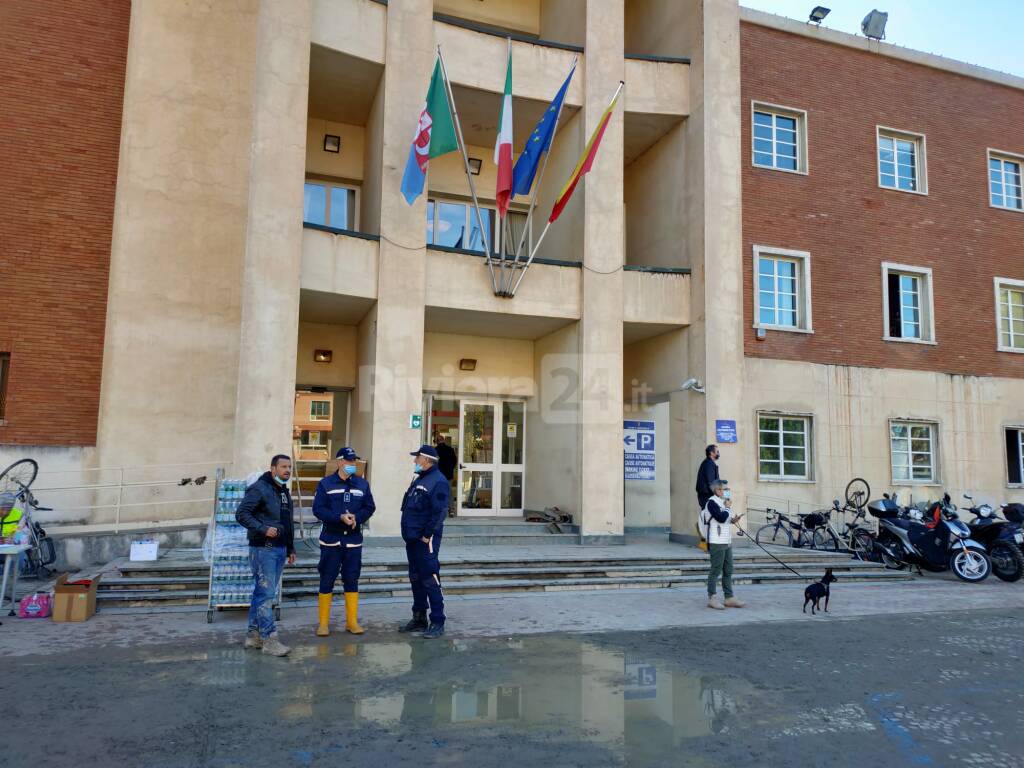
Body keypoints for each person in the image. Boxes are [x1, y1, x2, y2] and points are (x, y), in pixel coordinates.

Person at [235, 454, 296, 656]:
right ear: (273, 469)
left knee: (262, 594)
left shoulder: (283, 492)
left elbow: (287, 522)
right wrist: (262, 529)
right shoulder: (260, 488)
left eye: (289, 466)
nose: (287, 470)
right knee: (266, 595)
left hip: (278, 549)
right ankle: (270, 639)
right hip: (263, 549)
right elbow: (242, 514)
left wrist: (290, 548)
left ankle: (253, 636)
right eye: (283, 467)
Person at [311, 446, 376, 637]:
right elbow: (318, 509)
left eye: (354, 462)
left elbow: (370, 507)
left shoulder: (362, 484)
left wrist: (357, 517)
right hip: (331, 540)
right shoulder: (325, 484)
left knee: (352, 580)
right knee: (327, 580)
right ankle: (323, 624)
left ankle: (352, 622)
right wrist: (338, 517)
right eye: (348, 462)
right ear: (339, 462)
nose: (352, 465)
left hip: (353, 542)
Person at [398, 444, 450, 639]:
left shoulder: (438, 481)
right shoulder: (419, 479)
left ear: (427, 460)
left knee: (430, 578)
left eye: (417, 458)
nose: (415, 461)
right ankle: (419, 618)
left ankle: (437, 620)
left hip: (424, 540)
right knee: (415, 578)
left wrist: (427, 535)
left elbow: (439, 512)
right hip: (412, 539)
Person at [700, 478, 745, 610]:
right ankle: (712, 598)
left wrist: (733, 520)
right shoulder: (711, 503)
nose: (726, 491)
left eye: (726, 489)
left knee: (728, 569)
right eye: (724, 489)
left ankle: (729, 597)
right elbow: (719, 517)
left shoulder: (723, 502)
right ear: (716, 490)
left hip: (726, 540)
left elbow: (725, 519)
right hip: (716, 541)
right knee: (715, 570)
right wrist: (727, 508)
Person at [695, 444, 720, 510]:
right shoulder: (709, 464)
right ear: (712, 453)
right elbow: (711, 482)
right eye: (717, 451)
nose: (718, 453)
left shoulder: (709, 463)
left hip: (707, 495)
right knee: (709, 515)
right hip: (707, 495)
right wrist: (717, 494)